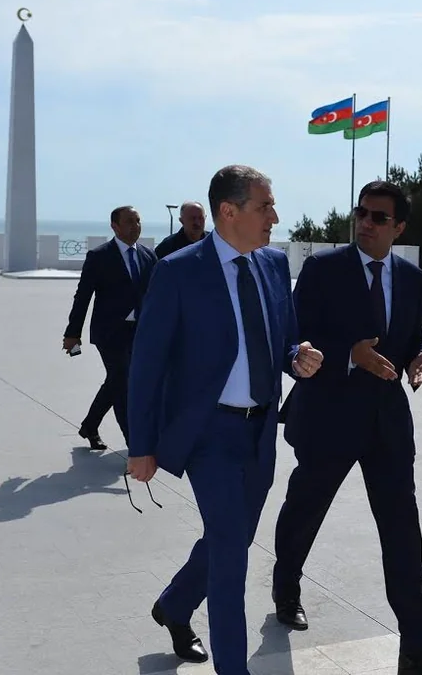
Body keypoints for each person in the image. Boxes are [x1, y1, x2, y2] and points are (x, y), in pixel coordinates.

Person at [126, 165, 324, 675]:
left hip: (260, 432)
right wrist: (141, 446)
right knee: (233, 557)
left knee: (229, 538)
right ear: (228, 211)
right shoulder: (178, 271)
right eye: (265, 207)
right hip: (208, 434)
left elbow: (285, 338)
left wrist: (297, 357)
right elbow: (146, 364)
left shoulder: (273, 264)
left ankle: (174, 605)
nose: (275, 217)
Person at [271, 181, 422, 675]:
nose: (366, 223)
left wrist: (418, 354)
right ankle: (286, 586)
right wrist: (348, 354)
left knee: (403, 534)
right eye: (362, 213)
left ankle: (417, 651)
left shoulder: (413, 279)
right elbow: (296, 334)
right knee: (304, 510)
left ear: (399, 228)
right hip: (328, 416)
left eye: (379, 217)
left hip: (387, 424)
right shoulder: (322, 269)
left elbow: (411, 332)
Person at [63, 206, 155, 450]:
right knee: (123, 383)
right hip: (110, 333)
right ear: (115, 226)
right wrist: (72, 333)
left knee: (117, 380)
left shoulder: (148, 256)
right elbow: (83, 296)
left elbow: (157, 296)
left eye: (138, 221)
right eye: (129, 222)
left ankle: (90, 425)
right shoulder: (99, 256)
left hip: (139, 332)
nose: (135, 226)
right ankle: (135, 447)